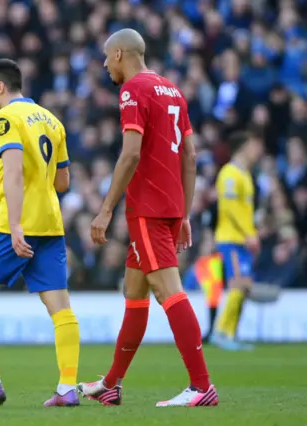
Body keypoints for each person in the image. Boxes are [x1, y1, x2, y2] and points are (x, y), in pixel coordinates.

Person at [78, 29, 218, 407]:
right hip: (171, 206)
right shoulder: (173, 90)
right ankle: (111, 383)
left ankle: (201, 386)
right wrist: (185, 213)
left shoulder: (132, 91)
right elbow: (190, 156)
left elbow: (130, 154)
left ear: (120, 53)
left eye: (107, 57)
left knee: (168, 291)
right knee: (136, 293)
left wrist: (105, 209)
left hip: (148, 208)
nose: (105, 65)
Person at [0, 59, 80, 408]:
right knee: (61, 309)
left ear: (0, 87)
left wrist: (17, 224)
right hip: (51, 225)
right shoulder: (51, 119)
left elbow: (11, 173)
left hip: (13, 226)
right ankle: (68, 388)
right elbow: (63, 181)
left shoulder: (5, 118)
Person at [210, 131, 263, 351]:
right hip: (231, 238)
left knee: (244, 287)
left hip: (242, 238)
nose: (257, 150)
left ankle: (231, 333)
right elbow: (230, 209)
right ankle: (220, 332)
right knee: (238, 285)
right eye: (253, 146)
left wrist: (252, 232)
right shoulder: (230, 173)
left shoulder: (245, 174)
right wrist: (249, 233)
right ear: (243, 148)